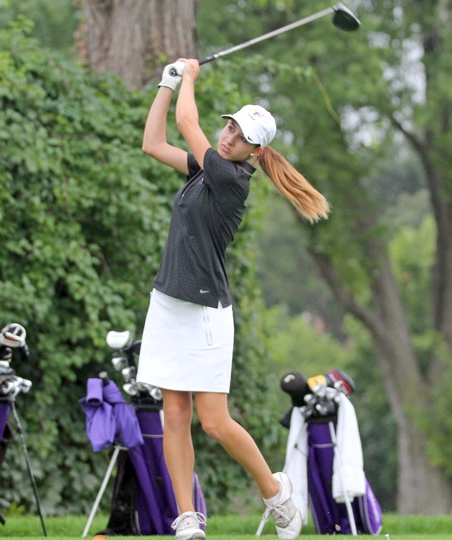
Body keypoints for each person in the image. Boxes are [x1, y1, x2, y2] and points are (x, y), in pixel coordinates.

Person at [136, 58, 330, 540]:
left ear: (255, 151)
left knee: (215, 423)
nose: (228, 138)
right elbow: (153, 143)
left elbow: (185, 122)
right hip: (168, 305)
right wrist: (167, 82)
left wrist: (190, 77)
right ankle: (187, 519)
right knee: (173, 416)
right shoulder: (203, 172)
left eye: (240, 137)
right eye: (229, 127)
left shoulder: (229, 179)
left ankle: (276, 493)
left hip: (204, 312)